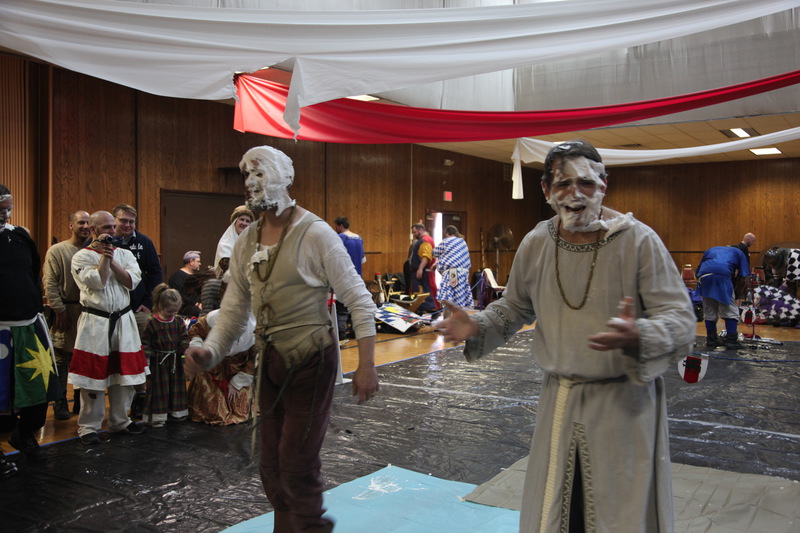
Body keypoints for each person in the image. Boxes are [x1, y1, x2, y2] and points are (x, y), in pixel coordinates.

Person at [435, 141, 696, 533]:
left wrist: (641, 334)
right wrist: (477, 325)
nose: (575, 195)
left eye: (586, 183)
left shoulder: (639, 241)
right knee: (557, 512)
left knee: (618, 515)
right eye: (563, 184)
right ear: (546, 190)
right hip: (560, 402)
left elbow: (681, 320)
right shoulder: (537, 242)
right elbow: (515, 306)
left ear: (604, 184)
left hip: (623, 406)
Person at [184, 145, 379, 533]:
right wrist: (211, 352)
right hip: (269, 362)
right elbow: (234, 310)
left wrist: (367, 365)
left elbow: (358, 299)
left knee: (296, 462)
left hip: (311, 360)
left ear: (286, 177)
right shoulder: (246, 241)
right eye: (247, 175)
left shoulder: (317, 233)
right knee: (272, 465)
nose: (251, 182)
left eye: (260, 173)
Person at [69, 211, 148, 445]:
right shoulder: (81, 257)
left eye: (113, 227)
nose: (112, 231)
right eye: (106, 228)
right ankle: (89, 426)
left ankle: (120, 421)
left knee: (124, 375)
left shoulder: (125, 254)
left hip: (123, 320)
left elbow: (132, 282)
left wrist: (112, 259)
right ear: (93, 230)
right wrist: (105, 256)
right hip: (95, 322)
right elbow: (98, 282)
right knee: (92, 377)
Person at [0, 184, 60, 469]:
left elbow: (33, 273)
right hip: (1, 330)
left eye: (8, 209)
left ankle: (25, 435)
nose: (6, 214)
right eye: (0, 210)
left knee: (40, 390)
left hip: (29, 325)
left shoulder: (20, 235)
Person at [112, 203, 163, 419]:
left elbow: (155, 273)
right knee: (113, 354)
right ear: (115, 220)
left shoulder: (144, 242)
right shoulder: (105, 242)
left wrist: (149, 302)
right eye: (123, 220)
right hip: (111, 310)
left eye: (131, 222)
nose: (127, 225)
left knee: (140, 354)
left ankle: (141, 398)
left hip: (138, 308)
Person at [42, 209, 91, 420]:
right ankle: (60, 401)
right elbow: (50, 284)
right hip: (66, 311)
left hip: (88, 311)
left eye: (88, 223)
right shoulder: (57, 251)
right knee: (62, 358)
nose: (85, 227)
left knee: (84, 357)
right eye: (81, 223)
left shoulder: (93, 250)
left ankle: (80, 400)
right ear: (71, 225)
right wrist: (60, 310)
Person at [186, 309, 256, 425]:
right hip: (212, 366)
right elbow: (195, 331)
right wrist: (198, 348)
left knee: (239, 405)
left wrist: (237, 383)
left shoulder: (253, 331)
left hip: (238, 369)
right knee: (213, 410)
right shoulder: (212, 319)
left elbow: (254, 361)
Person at [140, 284, 189, 428]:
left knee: (176, 387)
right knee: (159, 390)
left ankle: (176, 413)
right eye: (169, 311)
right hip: (158, 363)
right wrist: (148, 360)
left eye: (175, 311)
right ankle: (158, 417)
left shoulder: (178, 321)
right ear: (161, 306)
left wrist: (185, 350)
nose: (172, 314)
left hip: (174, 361)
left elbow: (184, 337)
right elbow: (145, 343)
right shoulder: (152, 322)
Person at [696, 246, 751, 350]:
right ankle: (731, 341)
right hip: (722, 277)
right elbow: (744, 274)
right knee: (730, 309)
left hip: (704, 277)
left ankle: (711, 340)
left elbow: (698, 270)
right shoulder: (738, 252)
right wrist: (737, 293)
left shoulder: (711, 249)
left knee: (709, 310)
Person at [333, 216, 365, 339]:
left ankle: (341, 333)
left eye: (336, 226)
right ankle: (355, 331)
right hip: (358, 277)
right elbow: (362, 260)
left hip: (344, 277)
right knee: (355, 306)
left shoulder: (341, 238)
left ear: (340, 226)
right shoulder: (359, 238)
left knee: (342, 306)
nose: (335, 229)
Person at [432, 225, 472, 311]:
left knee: (450, 298)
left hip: (452, 273)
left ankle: (450, 315)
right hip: (464, 274)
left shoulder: (446, 241)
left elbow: (434, 253)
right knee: (461, 297)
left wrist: (438, 261)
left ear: (447, 233)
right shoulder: (463, 242)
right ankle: (461, 315)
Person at [407, 223, 437, 314]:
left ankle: (427, 311)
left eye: (415, 232)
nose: (414, 234)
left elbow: (426, 256)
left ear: (420, 230)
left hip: (423, 273)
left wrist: (420, 269)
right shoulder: (424, 240)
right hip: (421, 272)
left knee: (425, 294)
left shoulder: (425, 240)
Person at [214, 205, 254, 272]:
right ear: (235, 222)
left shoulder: (253, 243)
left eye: (247, 221)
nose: (244, 223)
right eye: (242, 219)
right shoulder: (225, 245)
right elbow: (229, 269)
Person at [168, 251, 203, 316]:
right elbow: (179, 295)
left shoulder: (196, 276)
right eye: (198, 261)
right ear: (191, 262)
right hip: (184, 308)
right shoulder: (177, 277)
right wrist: (195, 303)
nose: (200, 264)